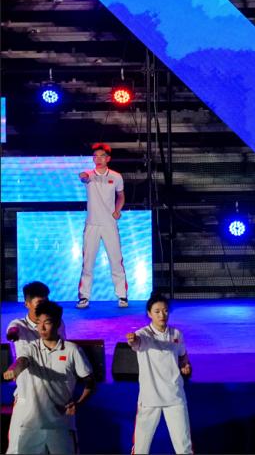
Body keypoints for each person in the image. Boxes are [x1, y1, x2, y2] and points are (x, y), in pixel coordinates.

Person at [4, 301, 96, 455]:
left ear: (58, 323)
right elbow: (22, 361)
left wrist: (79, 403)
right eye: (38, 323)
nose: (42, 328)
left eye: (47, 323)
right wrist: (14, 370)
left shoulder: (72, 350)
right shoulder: (30, 348)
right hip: (31, 427)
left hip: (61, 427)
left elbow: (90, 382)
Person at [127, 293, 193, 454]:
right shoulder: (142, 334)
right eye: (157, 311)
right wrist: (132, 340)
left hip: (175, 396)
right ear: (149, 314)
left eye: (165, 310)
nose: (162, 315)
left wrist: (185, 365)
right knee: (141, 449)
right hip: (150, 398)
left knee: (184, 447)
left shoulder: (176, 334)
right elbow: (135, 342)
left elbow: (183, 356)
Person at [77, 142, 127, 309]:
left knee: (116, 260)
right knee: (88, 262)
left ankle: (122, 295)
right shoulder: (89, 175)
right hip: (92, 224)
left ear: (108, 159)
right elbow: (83, 177)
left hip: (109, 224)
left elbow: (121, 196)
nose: (98, 159)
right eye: (96, 156)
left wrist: (117, 210)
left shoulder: (116, 176)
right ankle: (84, 296)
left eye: (102, 156)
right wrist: (83, 176)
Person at [6, 281, 67, 357]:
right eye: (39, 303)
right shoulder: (19, 324)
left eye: (46, 302)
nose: (44, 306)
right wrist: (12, 333)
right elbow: (13, 329)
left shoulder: (56, 322)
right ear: (27, 304)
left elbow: (61, 349)